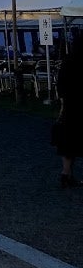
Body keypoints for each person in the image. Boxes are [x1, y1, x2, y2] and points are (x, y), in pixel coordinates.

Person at [54, 38, 83, 188]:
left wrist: (63, 103)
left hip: (70, 106)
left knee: (68, 141)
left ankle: (66, 173)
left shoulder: (67, 61)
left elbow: (60, 85)